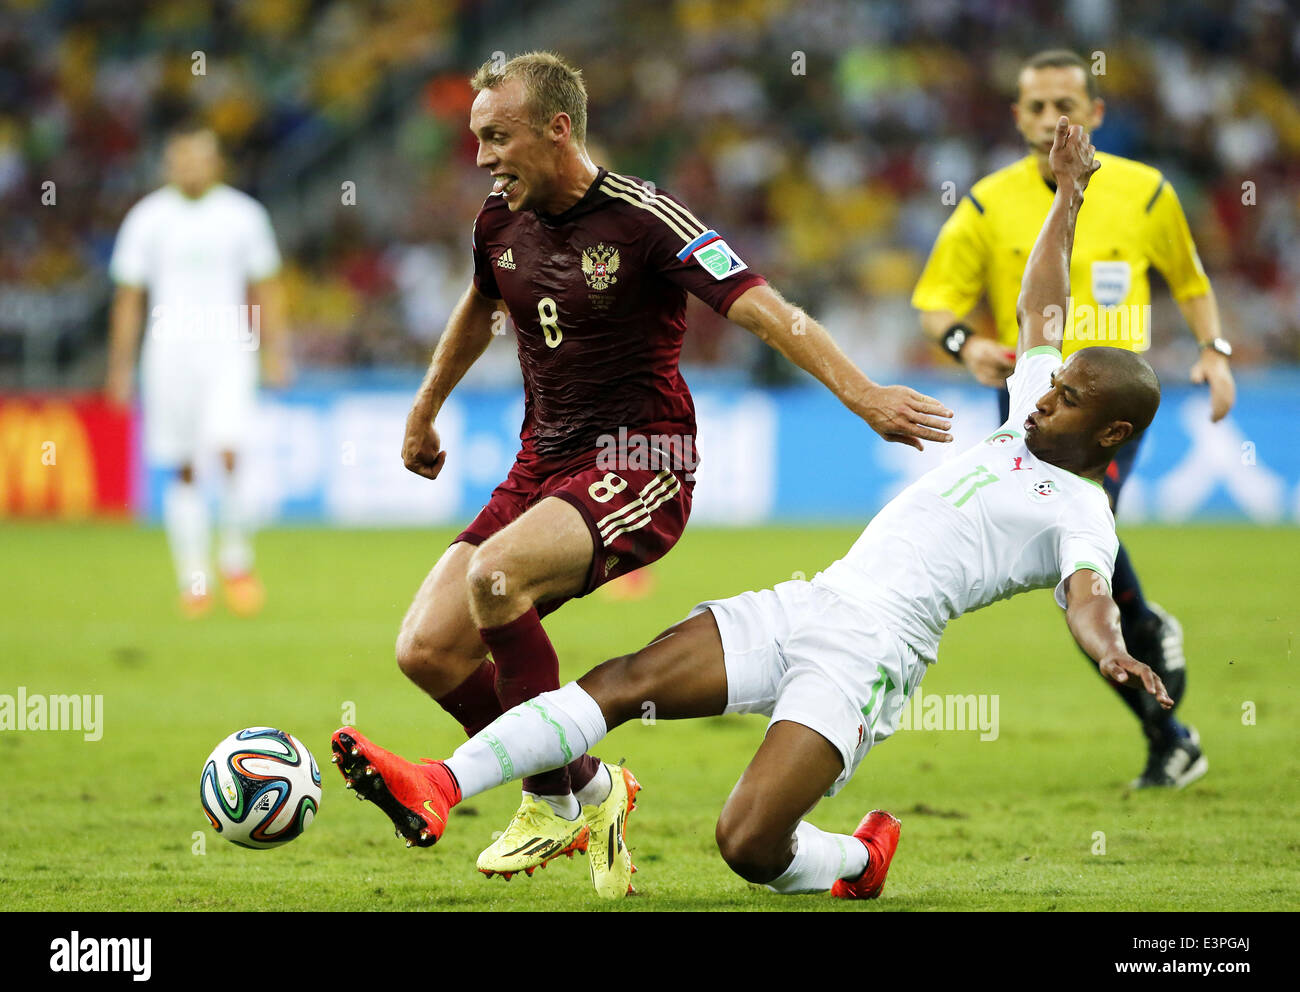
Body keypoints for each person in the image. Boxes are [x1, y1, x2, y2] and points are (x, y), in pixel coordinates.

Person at [332, 119, 1173, 900]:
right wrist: (1068, 195)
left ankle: (857, 856)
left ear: (1113, 431)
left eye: (1064, 400)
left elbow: (1091, 594)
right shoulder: (1031, 395)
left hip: (874, 654)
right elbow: (1042, 306)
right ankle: (442, 782)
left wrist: (1110, 653)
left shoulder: (1082, 512)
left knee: (747, 843)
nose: (1040, 398)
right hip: (811, 600)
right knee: (621, 682)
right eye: (1053, 382)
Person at [385, 51, 954, 898]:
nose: (482, 158)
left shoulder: (646, 219)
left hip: (644, 457)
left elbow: (766, 309)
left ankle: (551, 801)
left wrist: (864, 394)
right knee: (426, 648)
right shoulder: (497, 221)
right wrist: (426, 406)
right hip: (542, 458)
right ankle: (588, 786)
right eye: (475, 139)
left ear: (557, 128)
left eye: (496, 137)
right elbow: (483, 301)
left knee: (495, 577)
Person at [912, 49, 1228, 788]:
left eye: (1067, 104)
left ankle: (1154, 675)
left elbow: (1191, 280)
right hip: (1030, 399)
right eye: (1037, 105)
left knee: (1079, 548)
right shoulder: (987, 204)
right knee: (1078, 558)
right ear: (1017, 116)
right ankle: (1155, 669)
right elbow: (934, 304)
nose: (1054, 117)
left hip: (1112, 411)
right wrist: (969, 344)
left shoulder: (1148, 193)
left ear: (1096, 113)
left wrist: (1215, 351)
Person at [106, 125, 290, 618]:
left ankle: (235, 560)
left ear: (217, 163)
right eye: (181, 158)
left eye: (199, 157)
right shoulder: (147, 218)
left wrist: (276, 349)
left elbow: (265, 286)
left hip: (229, 348)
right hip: (167, 354)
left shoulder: (243, 216)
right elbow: (128, 296)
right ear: (169, 163)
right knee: (183, 466)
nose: (189, 166)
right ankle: (194, 579)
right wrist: (120, 367)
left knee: (230, 450)